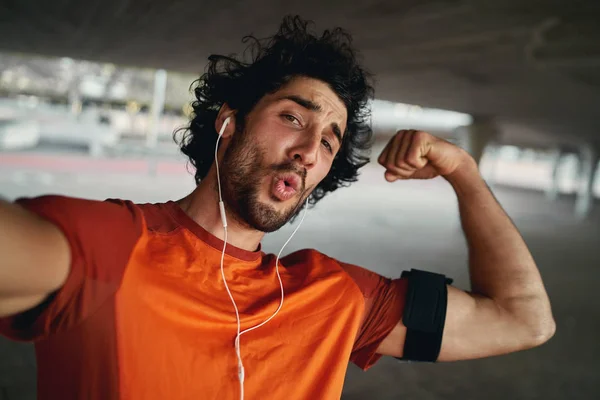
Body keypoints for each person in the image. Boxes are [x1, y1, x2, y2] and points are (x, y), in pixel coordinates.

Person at [0, 16, 555, 400]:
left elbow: (523, 320)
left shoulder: (336, 296)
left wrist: (464, 173)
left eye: (331, 140)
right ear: (229, 120)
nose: (311, 151)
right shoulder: (113, 243)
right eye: (293, 116)